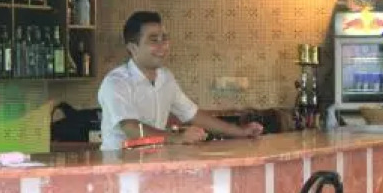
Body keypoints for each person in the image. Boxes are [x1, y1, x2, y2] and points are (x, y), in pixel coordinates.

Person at [97, 11, 263, 151]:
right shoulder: (116, 82)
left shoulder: (166, 78)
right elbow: (131, 129)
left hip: (152, 164)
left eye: (164, 38)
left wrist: (241, 132)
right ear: (133, 48)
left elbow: (193, 115)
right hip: (118, 167)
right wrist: (177, 138)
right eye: (154, 40)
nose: (162, 45)